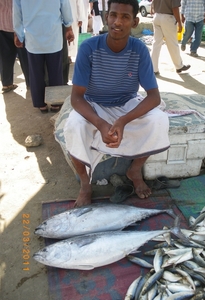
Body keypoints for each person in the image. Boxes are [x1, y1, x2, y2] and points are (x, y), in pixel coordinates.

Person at [63, 0, 170, 207]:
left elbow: (153, 97)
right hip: (94, 103)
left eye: (125, 17)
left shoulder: (139, 50)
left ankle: (134, 170)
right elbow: (76, 97)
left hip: (125, 104)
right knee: (74, 126)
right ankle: (85, 184)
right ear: (106, 17)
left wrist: (123, 120)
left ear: (135, 22)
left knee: (159, 120)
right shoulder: (88, 48)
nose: (117, 22)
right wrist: (100, 123)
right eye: (113, 15)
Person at [13, 0, 74, 113]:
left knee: (36, 73)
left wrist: (18, 34)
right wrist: (68, 26)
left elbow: (17, 13)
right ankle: (56, 103)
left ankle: (41, 104)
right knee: (55, 71)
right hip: (53, 34)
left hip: (33, 37)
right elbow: (65, 6)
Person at [150, 0, 190, 74]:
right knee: (172, 43)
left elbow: (152, 4)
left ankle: (153, 68)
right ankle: (179, 66)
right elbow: (175, 8)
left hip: (157, 16)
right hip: (167, 18)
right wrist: (179, 22)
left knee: (156, 43)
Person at [0, 0, 29, 93]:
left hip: (2, 24)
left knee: (5, 57)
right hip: (18, 26)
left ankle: (7, 83)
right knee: (25, 58)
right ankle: (30, 83)